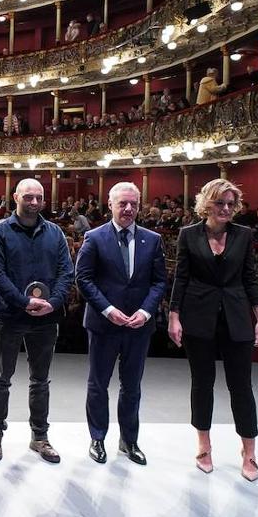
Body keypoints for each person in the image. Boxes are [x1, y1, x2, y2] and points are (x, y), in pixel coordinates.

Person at [168, 178, 258, 482]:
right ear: (206, 204)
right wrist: (174, 316)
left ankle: (249, 451)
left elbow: (250, 279)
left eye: (230, 204)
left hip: (237, 317)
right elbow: (181, 278)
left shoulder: (244, 234)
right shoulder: (188, 235)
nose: (226, 209)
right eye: (219, 203)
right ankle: (204, 444)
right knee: (202, 383)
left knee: (242, 387)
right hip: (198, 316)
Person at [0, 178, 74, 463]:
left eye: (39, 197)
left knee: (41, 381)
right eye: (29, 197)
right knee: (1, 379)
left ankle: (40, 437)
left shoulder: (56, 233)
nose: (34, 202)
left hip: (46, 318)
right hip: (10, 316)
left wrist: (53, 303)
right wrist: (24, 302)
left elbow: (66, 273)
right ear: (15, 197)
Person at [74, 182, 167, 466]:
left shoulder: (152, 239)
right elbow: (83, 278)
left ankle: (129, 441)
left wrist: (146, 312)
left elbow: (159, 281)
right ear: (110, 204)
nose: (128, 209)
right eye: (122, 204)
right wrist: (107, 309)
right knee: (98, 384)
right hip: (104, 324)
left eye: (134, 204)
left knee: (132, 387)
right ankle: (97, 438)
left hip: (139, 326)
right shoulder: (94, 237)